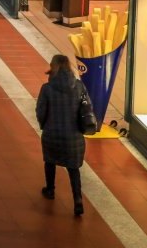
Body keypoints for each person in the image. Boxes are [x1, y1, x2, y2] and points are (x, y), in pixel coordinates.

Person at [37, 54, 91, 216]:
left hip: (52, 134)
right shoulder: (79, 87)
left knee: (50, 161)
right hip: (74, 137)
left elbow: (41, 112)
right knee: (73, 169)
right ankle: (77, 200)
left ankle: (50, 189)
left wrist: (44, 125)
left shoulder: (47, 89)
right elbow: (87, 108)